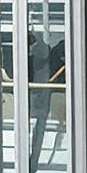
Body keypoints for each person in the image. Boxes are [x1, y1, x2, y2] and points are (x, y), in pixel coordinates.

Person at [27, 30, 67, 162]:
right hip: (35, 109)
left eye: (33, 48)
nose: (31, 52)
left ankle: (33, 162)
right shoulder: (31, 63)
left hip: (42, 108)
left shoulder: (51, 60)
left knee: (38, 135)